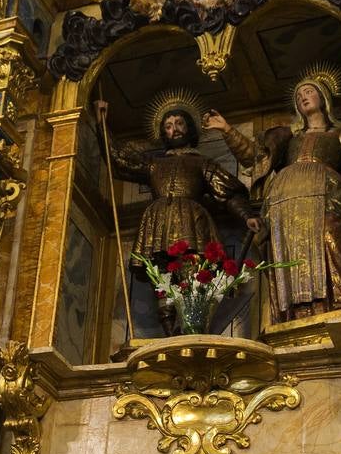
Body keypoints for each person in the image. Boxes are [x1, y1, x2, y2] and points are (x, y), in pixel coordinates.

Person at [205, 70, 341, 322]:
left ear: (323, 97)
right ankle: (292, 314)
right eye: (299, 95)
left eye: (309, 91)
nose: (303, 97)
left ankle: (340, 303)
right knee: (287, 254)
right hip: (284, 205)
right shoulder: (286, 137)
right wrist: (227, 129)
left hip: (327, 197)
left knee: (331, 234)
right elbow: (256, 158)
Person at [97, 95, 261, 334]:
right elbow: (120, 160)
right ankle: (169, 331)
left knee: (191, 273)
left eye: (179, 123)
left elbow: (227, 192)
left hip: (191, 221)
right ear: (163, 133)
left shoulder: (202, 163)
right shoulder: (154, 164)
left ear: (189, 128)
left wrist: (246, 216)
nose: (174, 129)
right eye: (168, 126)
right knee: (161, 277)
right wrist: (102, 123)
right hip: (159, 222)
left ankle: (192, 326)